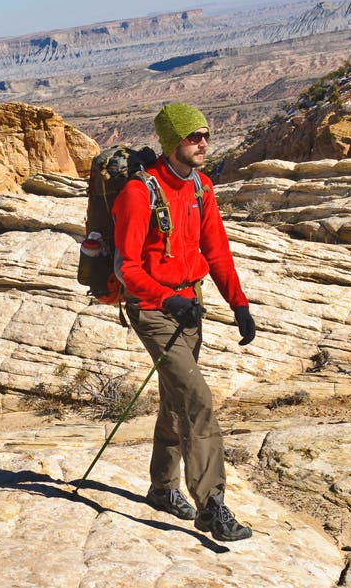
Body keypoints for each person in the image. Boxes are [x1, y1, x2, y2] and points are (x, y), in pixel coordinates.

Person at [105, 102, 257, 542]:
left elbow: (217, 250)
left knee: (176, 397)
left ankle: (162, 487)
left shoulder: (201, 188)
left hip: (191, 306)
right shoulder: (140, 192)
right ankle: (212, 507)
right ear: (172, 142)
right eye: (194, 137)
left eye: (205, 135)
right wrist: (167, 299)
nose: (204, 143)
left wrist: (239, 304)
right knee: (197, 400)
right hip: (153, 312)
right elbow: (126, 267)